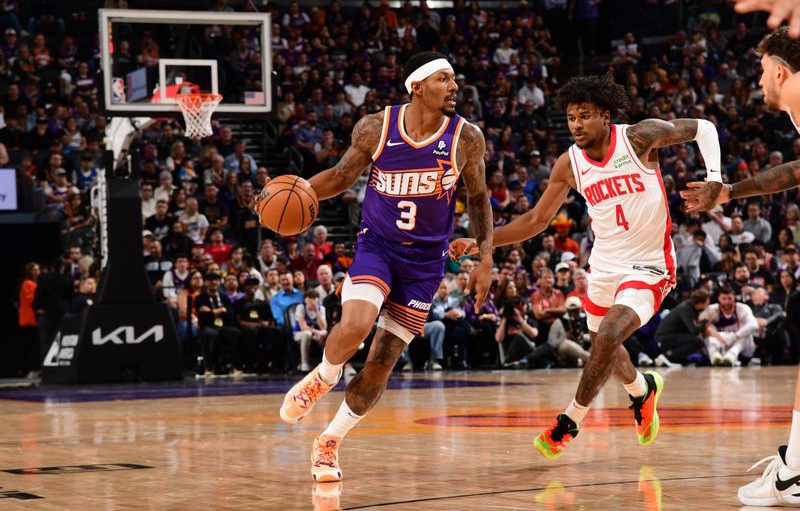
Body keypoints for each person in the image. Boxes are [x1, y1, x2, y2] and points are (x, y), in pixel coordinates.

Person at [451, 73, 723, 459]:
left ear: (606, 116)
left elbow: (705, 129)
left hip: (650, 265)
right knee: (604, 349)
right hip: (604, 264)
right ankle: (641, 391)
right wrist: (483, 243)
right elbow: (535, 221)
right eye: (571, 117)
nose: (576, 124)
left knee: (610, 333)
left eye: (585, 115)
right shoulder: (569, 163)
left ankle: (570, 419)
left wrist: (714, 179)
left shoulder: (639, 138)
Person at [276, 51, 493, 483]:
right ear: (417, 86)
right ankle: (324, 374)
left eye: (455, 80)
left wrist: (486, 256)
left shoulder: (466, 137)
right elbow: (339, 177)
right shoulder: (377, 126)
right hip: (378, 246)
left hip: (426, 263)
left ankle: (329, 443)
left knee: (381, 363)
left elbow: (481, 198)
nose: (454, 87)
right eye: (444, 79)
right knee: (356, 325)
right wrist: (296, 192)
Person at [679, 27, 800, 506]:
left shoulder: (797, 94)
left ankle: (793, 474)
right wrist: (728, 192)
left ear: (779, 70)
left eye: (761, 69)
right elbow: (796, 171)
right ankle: (793, 470)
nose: (758, 80)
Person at [294, 289, 328, 372]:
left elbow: (323, 327)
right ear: (305, 299)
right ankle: (304, 362)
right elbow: (303, 327)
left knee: (325, 333)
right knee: (307, 334)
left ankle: (325, 363)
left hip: (316, 334)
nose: (313, 300)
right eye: (310, 298)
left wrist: (317, 312)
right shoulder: (301, 307)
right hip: (299, 333)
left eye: (315, 298)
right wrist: (318, 332)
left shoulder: (321, 309)